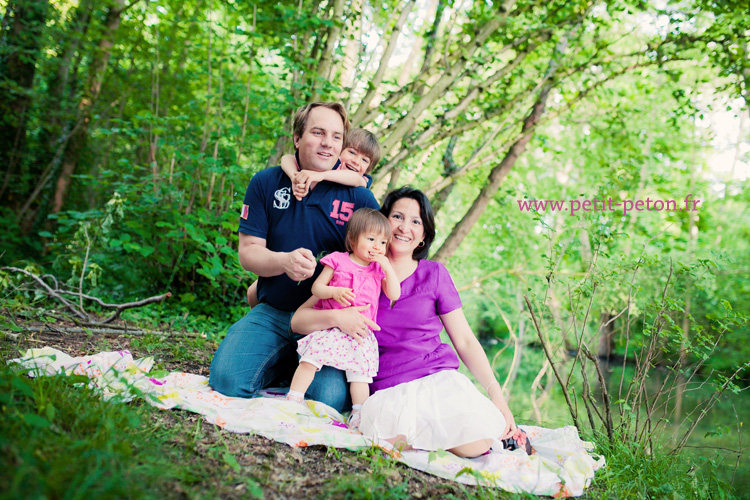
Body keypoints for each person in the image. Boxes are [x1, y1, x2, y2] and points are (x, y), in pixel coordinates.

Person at [291, 187, 520, 458]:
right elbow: (298, 321)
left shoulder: (434, 274)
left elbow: (466, 341)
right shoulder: (357, 270)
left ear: (423, 235)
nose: (404, 227)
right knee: (386, 436)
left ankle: (443, 432)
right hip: (387, 386)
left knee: (476, 443)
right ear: (383, 222)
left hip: (436, 379)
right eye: (397, 216)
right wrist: (338, 317)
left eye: (415, 221)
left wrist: (497, 395)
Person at [209, 102, 380, 412]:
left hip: (328, 323)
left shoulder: (360, 198)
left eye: (336, 136)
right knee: (227, 381)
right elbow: (248, 253)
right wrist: (283, 262)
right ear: (298, 138)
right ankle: (276, 357)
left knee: (327, 402)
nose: (328, 143)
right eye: (318, 132)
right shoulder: (266, 183)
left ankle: (295, 365)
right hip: (275, 310)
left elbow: (376, 262)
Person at [287, 208, 400, 431]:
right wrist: (333, 292)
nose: (377, 246)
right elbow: (317, 287)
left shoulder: (378, 269)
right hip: (331, 328)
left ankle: (358, 413)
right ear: (352, 238)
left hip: (359, 332)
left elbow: (394, 294)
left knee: (360, 376)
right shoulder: (338, 260)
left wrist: (387, 266)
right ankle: (293, 398)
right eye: (370, 239)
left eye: (383, 242)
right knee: (310, 360)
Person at [246, 128, 382, 308]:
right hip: (284, 284)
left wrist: (320, 175)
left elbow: (355, 179)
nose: (356, 162)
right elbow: (287, 158)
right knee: (253, 293)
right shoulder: (321, 167)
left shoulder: (358, 185)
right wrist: (295, 176)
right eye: (351, 152)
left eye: (364, 160)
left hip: (328, 286)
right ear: (339, 150)